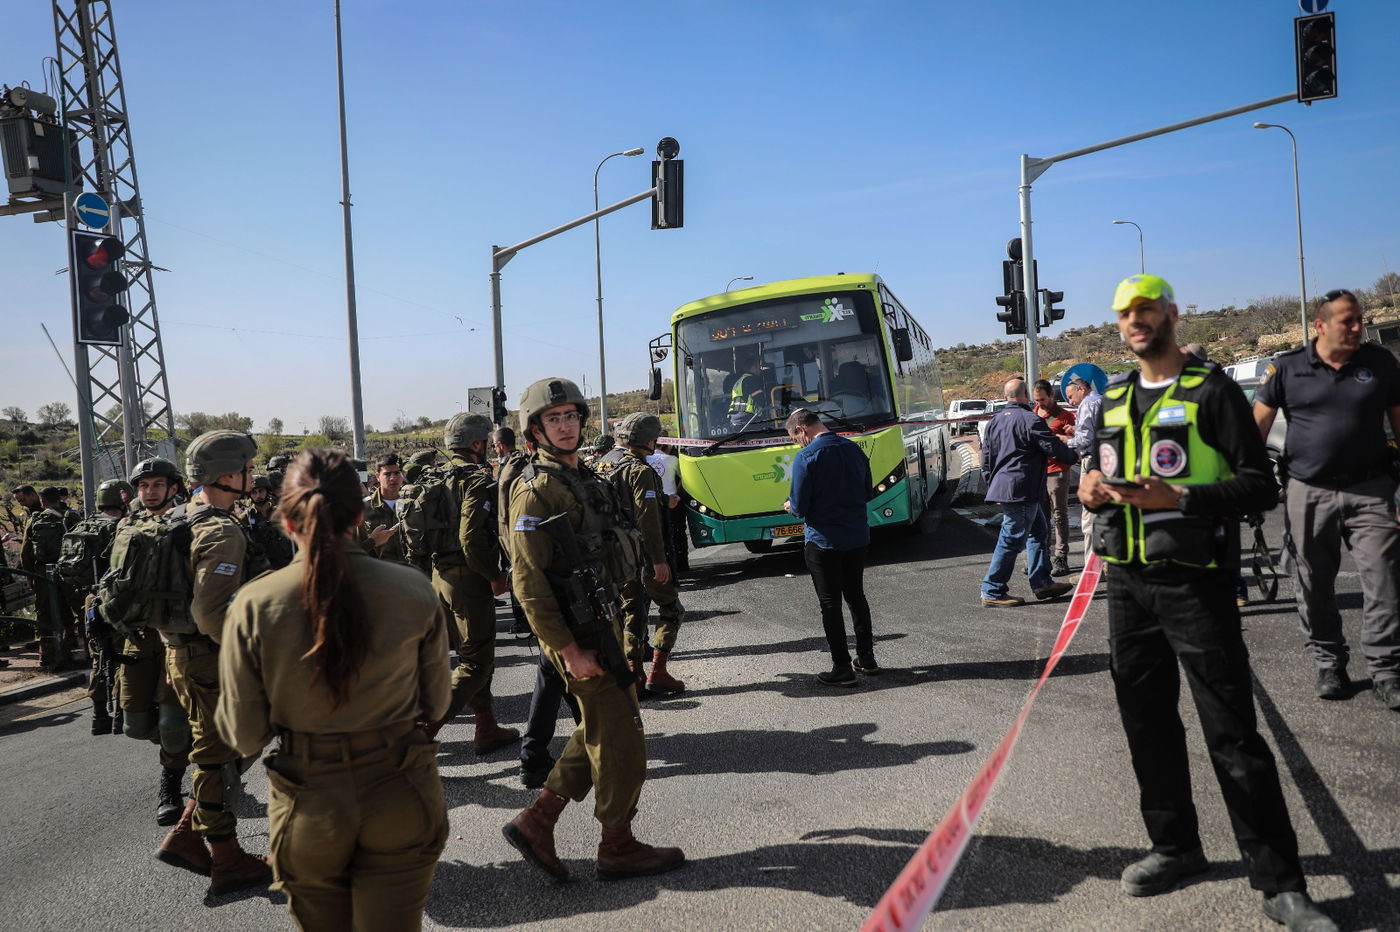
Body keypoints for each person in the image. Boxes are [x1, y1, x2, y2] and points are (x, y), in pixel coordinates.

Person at [1078, 274, 1335, 931]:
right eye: (1125, 313)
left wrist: (1182, 499)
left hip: (1196, 584)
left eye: (1147, 309)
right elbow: (1098, 465)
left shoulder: (1211, 390)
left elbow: (1258, 487)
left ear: (1171, 314)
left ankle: (1281, 883)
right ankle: (1175, 847)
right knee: (1147, 724)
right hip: (1128, 584)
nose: (1137, 321)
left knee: (1233, 734)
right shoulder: (1111, 400)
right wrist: (1091, 488)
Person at [216, 450, 450, 930]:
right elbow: (439, 702)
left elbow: (242, 734)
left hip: (309, 798)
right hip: (400, 786)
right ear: (360, 514)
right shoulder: (413, 590)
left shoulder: (255, 603)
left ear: (286, 518)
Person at [503, 377, 684, 883]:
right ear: (534, 430)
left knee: (598, 727)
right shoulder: (535, 490)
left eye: (571, 416)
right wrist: (567, 649)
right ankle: (617, 845)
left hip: (599, 620)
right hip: (574, 633)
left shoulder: (585, 477)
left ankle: (537, 820)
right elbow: (527, 581)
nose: (565, 426)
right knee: (623, 734)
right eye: (553, 419)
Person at [1254, 288, 1400, 710]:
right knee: (1312, 583)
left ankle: (1387, 669)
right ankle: (1329, 662)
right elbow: (1254, 432)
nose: (1357, 328)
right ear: (1320, 325)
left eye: (1360, 319)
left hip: (1372, 489)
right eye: (1347, 321)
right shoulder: (1287, 368)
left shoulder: (1381, 363)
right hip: (1307, 490)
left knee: (1386, 580)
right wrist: (1249, 483)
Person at [154, 430, 273, 896]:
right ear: (228, 474)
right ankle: (225, 859)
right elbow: (210, 612)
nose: (251, 475)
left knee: (238, 742)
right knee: (217, 753)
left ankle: (188, 831)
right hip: (211, 657)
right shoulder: (220, 530)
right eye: (246, 468)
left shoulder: (182, 516)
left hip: (183, 653)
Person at [420, 414, 519, 754]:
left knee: (470, 655)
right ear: (476, 444)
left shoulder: (434, 476)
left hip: (439, 578)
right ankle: (421, 732)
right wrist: (493, 574)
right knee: (476, 662)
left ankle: (486, 727)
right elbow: (471, 539)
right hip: (468, 579)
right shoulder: (475, 480)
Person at [110, 457, 194, 827]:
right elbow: (114, 577)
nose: (149, 492)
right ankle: (183, 752)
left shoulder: (188, 523)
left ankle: (171, 786)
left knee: (173, 723)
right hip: (137, 638)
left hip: (175, 637)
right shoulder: (128, 525)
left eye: (157, 485)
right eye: (144, 486)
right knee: (135, 725)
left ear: (173, 488)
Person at [783, 407, 877, 685]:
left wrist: (789, 506)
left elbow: (799, 507)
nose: (797, 443)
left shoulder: (806, 457)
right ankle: (867, 658)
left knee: (830, 603)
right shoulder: (854, 449)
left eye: (795, 437)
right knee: (856, 596)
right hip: (856, 536)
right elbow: (866, 492)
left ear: (802, 429)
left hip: (823, 541)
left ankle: (842, 667)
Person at [608, 413, 686, 697]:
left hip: (611, 559)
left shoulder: (601, 464)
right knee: (671, 609)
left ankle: (634, 676)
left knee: (629, 611)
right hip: (640, 558)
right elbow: (647, 520)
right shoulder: (640, 471)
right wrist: (659, 561)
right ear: (648, 440)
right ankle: (657, 673)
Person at [979, 380, 1076, 607]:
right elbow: (1053, 447)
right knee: (1011, 539)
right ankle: (992, 590)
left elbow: (985, 458)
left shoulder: (994, 422)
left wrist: (993, 484)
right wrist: (1078, 454)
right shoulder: (1031, 419)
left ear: (1005, 397)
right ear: (1025, 395)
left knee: (1039, 532)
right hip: (1023, 489)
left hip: (1009, 488)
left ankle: (1042, 582)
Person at [20, 486, 77, 668]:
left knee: (45, 612)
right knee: (75, 608)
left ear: (42, 500)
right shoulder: (72, 516)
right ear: (59, 498)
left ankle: (47, 656)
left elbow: (25, 552)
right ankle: (79, 650)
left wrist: (31, 575)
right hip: (69, 570)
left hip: (43, 572)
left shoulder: (36, 519)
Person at [1032, 379, 1077, 577]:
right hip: (1038, 473)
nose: (1039, 403)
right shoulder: (1032, 414)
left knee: (1059, 515)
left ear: (1051, 395)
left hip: (1057, 471)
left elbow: (1076, 443)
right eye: (1036, 400)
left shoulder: (1065, 416)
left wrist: (1065, 438)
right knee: (1041, 517)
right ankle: (1042, 558)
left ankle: (1061, 557)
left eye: (1042, 399)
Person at [1064, 374, 1103, 563]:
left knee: (1089, 518)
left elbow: (1086, 439)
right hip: (1108, 461)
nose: (1070, 402)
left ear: (1081, 389)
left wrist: (1067, 441)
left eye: (1071, 397)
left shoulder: (1087, 404)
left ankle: (1091, 568)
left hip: (1092, 462)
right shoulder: (1102, 401)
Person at [358, 453, 409, 565]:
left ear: (403, 474)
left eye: (397, 473)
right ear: (377, 476)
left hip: (413, 574)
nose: (393, 478)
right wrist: (372, 541)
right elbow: (354, 550)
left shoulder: (413, 504)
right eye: (387, 474)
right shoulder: (364, 508)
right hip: (380, 575)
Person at [239, 474, 294, 570]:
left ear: (268, 491)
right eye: (254, 492)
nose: (258, 496)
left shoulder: (281, 513)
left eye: (261, 491)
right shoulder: (245, 518)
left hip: (287, 565)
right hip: (264, 570)